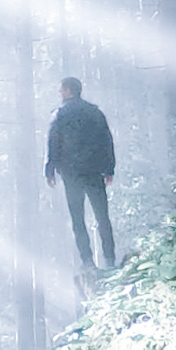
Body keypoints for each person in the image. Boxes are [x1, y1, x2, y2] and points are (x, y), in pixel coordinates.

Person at [45, 76, 117, 272]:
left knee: (78, 218)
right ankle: (110, 259)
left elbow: (53, 142)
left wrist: (50, 169)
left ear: (68, 90)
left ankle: (87, 261)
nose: (59, 93)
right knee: (102, 216)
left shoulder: (59, 114)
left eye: (61, 90)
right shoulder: (95, 112)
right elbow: (106, 141)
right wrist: (109, 168)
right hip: (94, 171)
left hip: (71, 174)